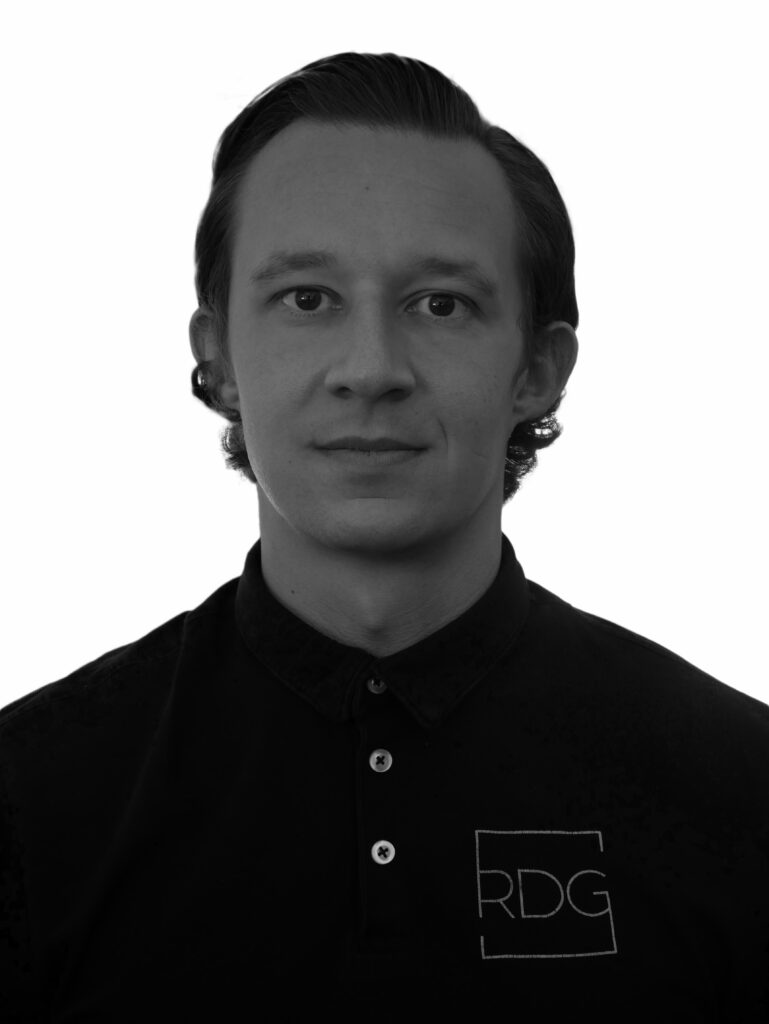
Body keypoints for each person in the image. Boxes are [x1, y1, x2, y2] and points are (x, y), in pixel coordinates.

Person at [1, 51, 767, 1021]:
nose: (370, 369)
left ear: (537, 370)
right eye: (307, 298)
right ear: (218, 358)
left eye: (440, 303)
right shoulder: (30, 799)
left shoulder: (742, 791)